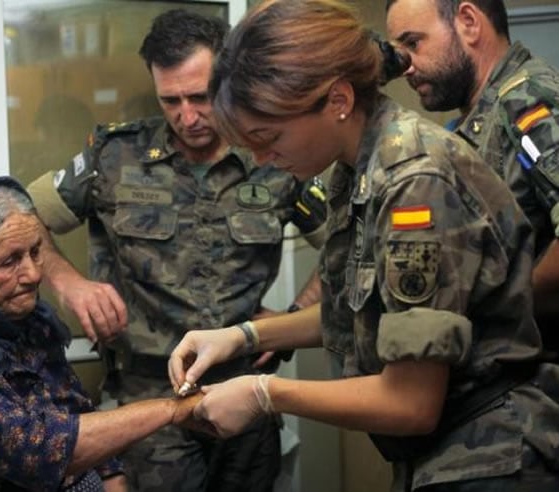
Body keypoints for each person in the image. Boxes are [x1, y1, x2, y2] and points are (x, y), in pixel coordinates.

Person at [168, 0, 559, 490]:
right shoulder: (359, 167)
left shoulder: (413, 180)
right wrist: (242, 337)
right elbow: (369, 309)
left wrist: (266, 393)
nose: (264, 159)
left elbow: (410, 403)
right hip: (451, 455)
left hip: (494, 457)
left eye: (268, 137)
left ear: (337, 101)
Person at [26, 8, 326, 492]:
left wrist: (295, 318)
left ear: (227, 78)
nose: (187, 117)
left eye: (199, 97)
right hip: (149, 404)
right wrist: (68, 282)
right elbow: (19, 216)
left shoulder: (271, 156)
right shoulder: (114, 156)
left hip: (245, 391)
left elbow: (348, 240)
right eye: (171, 101)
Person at [0, 177, 206, 492]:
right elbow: (35, 450)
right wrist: (172, 409)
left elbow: (76, 409)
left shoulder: (29, 324)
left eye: (35, 252)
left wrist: (113, 480)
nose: (33, 274)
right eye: (10, 260)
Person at [385, 0, 559, 350]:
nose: (406, 67)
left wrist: (491, 311)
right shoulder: (483, 119)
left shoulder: (527, 104)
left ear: (468, 22)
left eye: (414, 44)